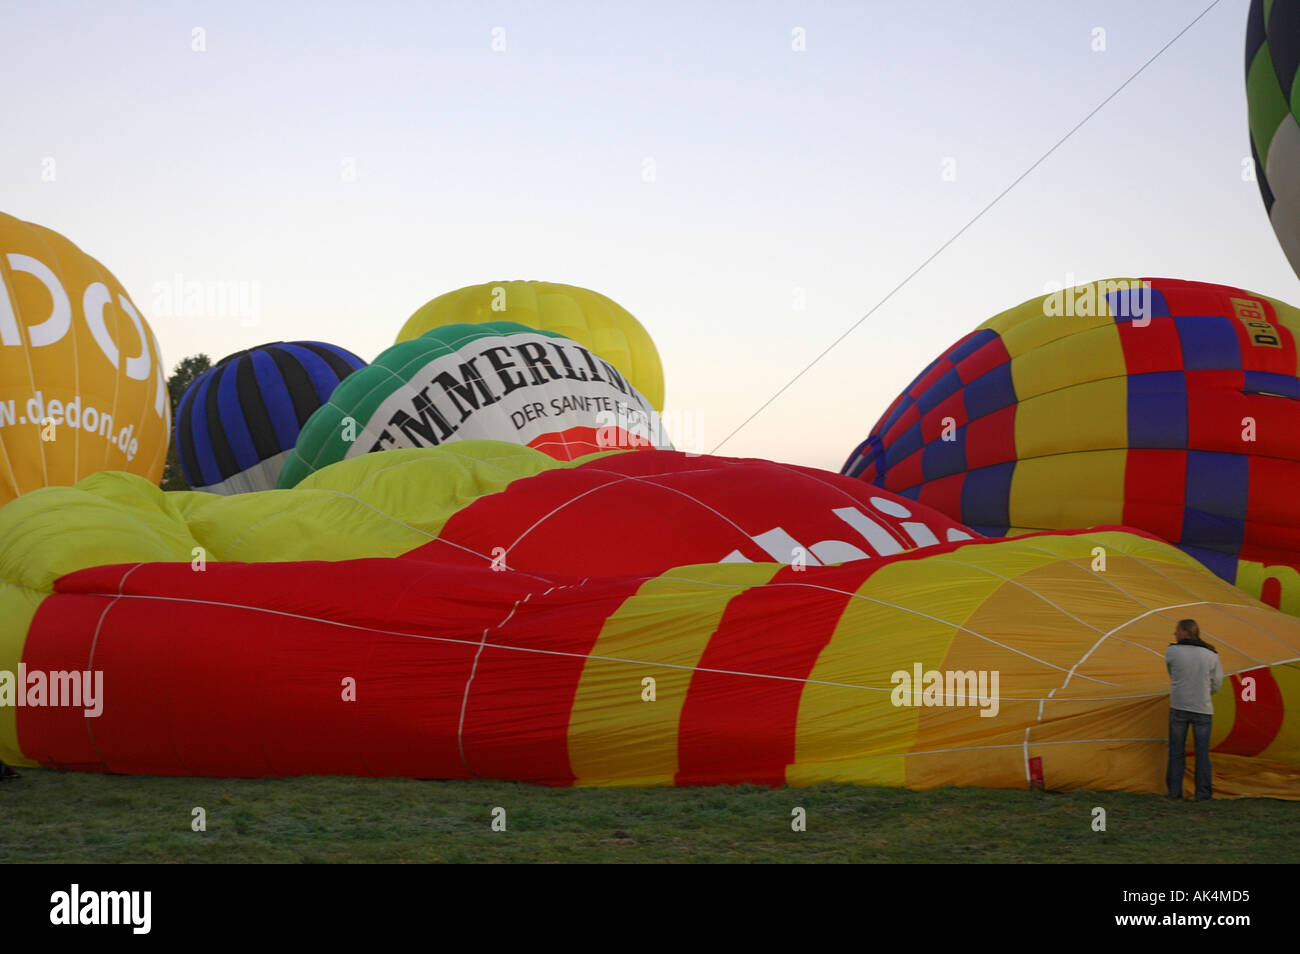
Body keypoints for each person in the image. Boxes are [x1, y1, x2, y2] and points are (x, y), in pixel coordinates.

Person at [1165, 619, 1224, 801]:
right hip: (1203, 708)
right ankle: (1203, 794)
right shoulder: (1211, 655)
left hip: (1179, 706)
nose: (1174, 634)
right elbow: (1217, 683)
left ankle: (1175, 793)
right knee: (1202, 753)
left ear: (1185, 632)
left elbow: (1172, 672)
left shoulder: (1172, 651)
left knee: (1176, 752)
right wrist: (1203, 693)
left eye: (1177, 630)